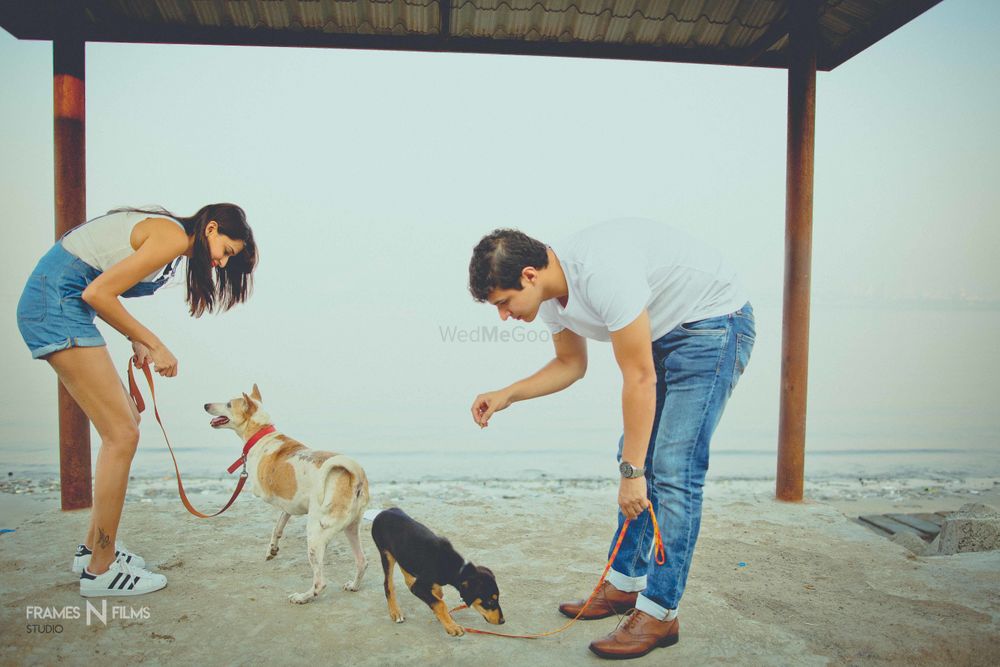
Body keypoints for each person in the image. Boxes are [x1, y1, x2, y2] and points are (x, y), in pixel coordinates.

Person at [468, 219, 755, 659]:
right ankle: (623, 586)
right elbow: (570, 364)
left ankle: (660, 613)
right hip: (667, 330)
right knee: (634, 456)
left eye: (504, 304)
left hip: (714, 326)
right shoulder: (548, 296)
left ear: (529, 274)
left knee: (672, 469)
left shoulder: (602, 273)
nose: (504, 316)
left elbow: (639, 377)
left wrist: (633, 475)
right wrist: (508, 394)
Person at [16, 204, 257, 597]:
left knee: (126, 421)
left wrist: (135, 338)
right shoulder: (172, 237)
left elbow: (99, 284)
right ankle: (101, 570)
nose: (220, 262)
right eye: (226, 251)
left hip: (60, 306)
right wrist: (155, 344)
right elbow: (97, 292)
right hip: (57, 308)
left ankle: (93, 548)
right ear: (210, 228)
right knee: (122, 435)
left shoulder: (174, 242)